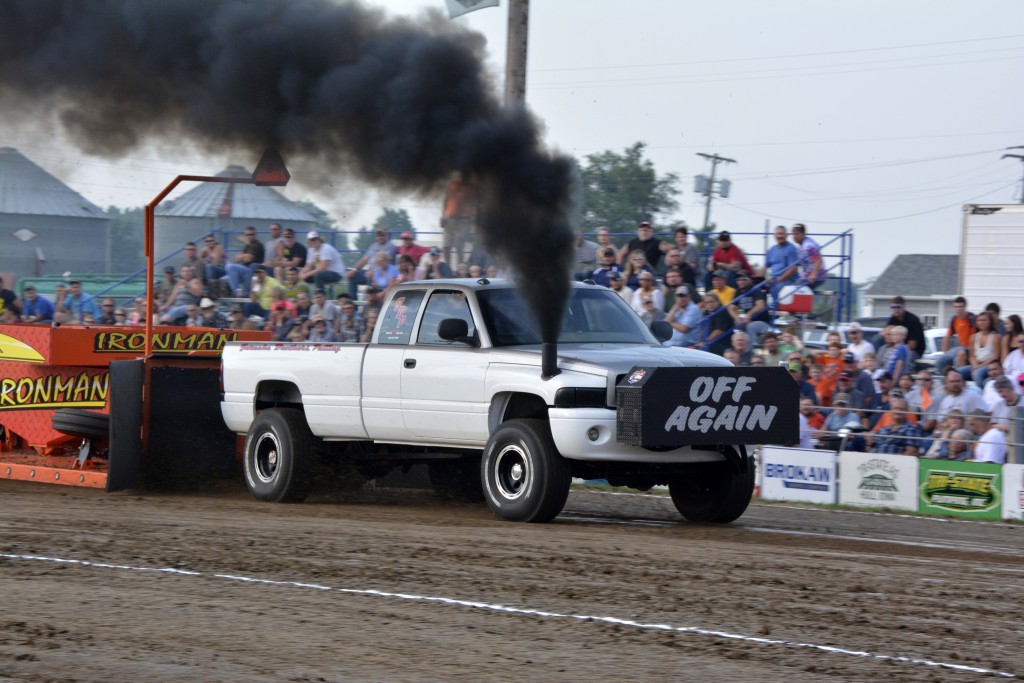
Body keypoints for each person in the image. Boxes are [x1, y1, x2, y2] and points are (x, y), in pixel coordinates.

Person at [346, 227, 398, 299]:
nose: (381, 237)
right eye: (379, 236)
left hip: (382, 274)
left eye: (383, 235)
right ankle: (353, 305)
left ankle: (372, 300)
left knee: (372, 277)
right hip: (369, 272)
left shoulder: (391, 247)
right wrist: (354, 270)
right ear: (376, 237)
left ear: (387, 235)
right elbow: (365, 259)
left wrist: (374, 271)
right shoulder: (373, 246)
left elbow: (384, 262)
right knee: (352, 277)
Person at [440, 172, 477, 265]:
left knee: (459, 246)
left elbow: (476, 205)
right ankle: (448, 267)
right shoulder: (452, 185)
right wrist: (443, 216)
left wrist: (474, 221)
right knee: (446, 246)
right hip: (450, 218)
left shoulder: (472, 188)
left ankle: (460, 269)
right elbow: (445, 200)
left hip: (464, 220)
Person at [958, 310, 1001, 387]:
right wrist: (975, 365)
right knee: (957, 373)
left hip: (989, 365)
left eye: (984, 320)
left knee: (977, 374)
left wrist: (979, 367)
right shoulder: (973, 337)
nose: (981, 322)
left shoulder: (996, 336)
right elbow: (971, 356)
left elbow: (996, 356)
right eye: (979, 320)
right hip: (976, 364)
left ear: (990, 321)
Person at [726, 273, 770, 345]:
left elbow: (761, 305)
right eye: (738, 280)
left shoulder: (755, 290)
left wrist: (749, 315)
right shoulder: (738, 291)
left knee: (750, 327)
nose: (740, 282)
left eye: (743, 279)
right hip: (747, 321)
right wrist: (736, 318)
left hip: (762, 321)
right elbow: (730, 307)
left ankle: (750, 350)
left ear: (749, 280)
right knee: (730, 325)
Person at [938, 296, 976, 374]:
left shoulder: (972, 318)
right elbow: (948, 336)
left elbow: (974, 337)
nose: (958, 309)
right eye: (955, 307)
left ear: (965, 307)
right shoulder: (954, 319)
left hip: (971, 348)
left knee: (959, 355)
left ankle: (958, 377)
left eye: (960, 306)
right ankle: (945, 380)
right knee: (941, 360)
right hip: (960, 347)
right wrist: (945, 352)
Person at [227, 226, 265, 297]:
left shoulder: (258, 245)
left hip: (252, 271)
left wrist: (242, 257)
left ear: (255, 235)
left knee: (230, 266)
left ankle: (236, 293)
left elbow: (249, 259)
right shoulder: (247, 246)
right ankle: (233, 295)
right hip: (243, 270)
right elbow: (236, 259)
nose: (249, 236)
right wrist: (244, 256)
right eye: (247, 235)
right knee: (225, 277)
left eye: (251, 234)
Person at [760, 225, 798, 296]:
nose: (780, 236)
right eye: (778, 234)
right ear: (774, 236)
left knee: (776, 288)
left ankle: (775, 307)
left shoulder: (791, 248)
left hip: (787, 280)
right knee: (757, 288)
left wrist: (778, 280)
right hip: (773, 279)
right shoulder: (772, 250)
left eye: (782, 234)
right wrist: (757, 279)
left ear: (786, 235)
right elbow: (764, 267)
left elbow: (793, 269)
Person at [885, 296, 925, 361]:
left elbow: (912, 345)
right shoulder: (893, 319)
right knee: (879, 341)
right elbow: (885, 334)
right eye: (893, 307)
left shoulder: (913, 320)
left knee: (896, 357)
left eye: (898, 307)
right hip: (896, 348)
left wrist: (896, 350)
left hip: (913, 351)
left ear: (904, 307)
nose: (896, 309)